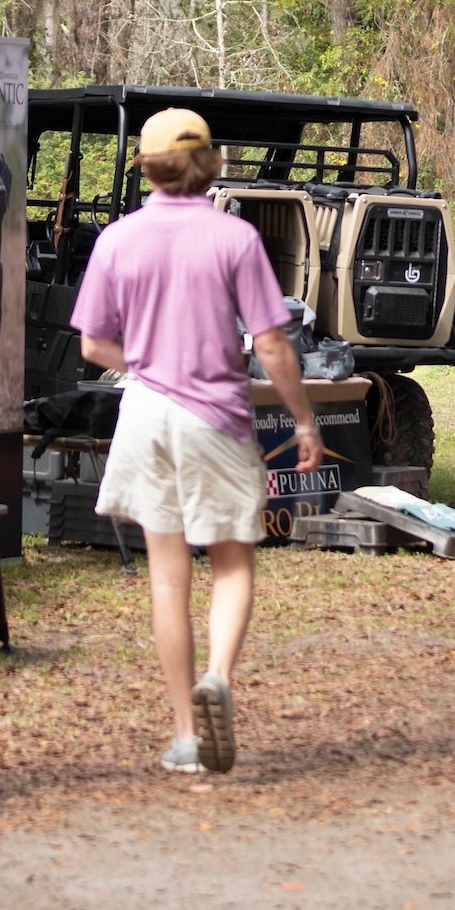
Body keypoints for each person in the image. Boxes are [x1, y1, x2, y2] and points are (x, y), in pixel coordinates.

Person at [74, 107, 323, 775]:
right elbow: (271, 342)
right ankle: (218, 675)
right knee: (234, 560)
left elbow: (94, 343)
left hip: (147, 412)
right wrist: (303, 419)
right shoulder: (234, 237)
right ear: (211, 162)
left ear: (148, 166)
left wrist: (146, 362)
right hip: (215, 415)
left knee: (166, 574)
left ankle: (186, 731)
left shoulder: (117, 240)